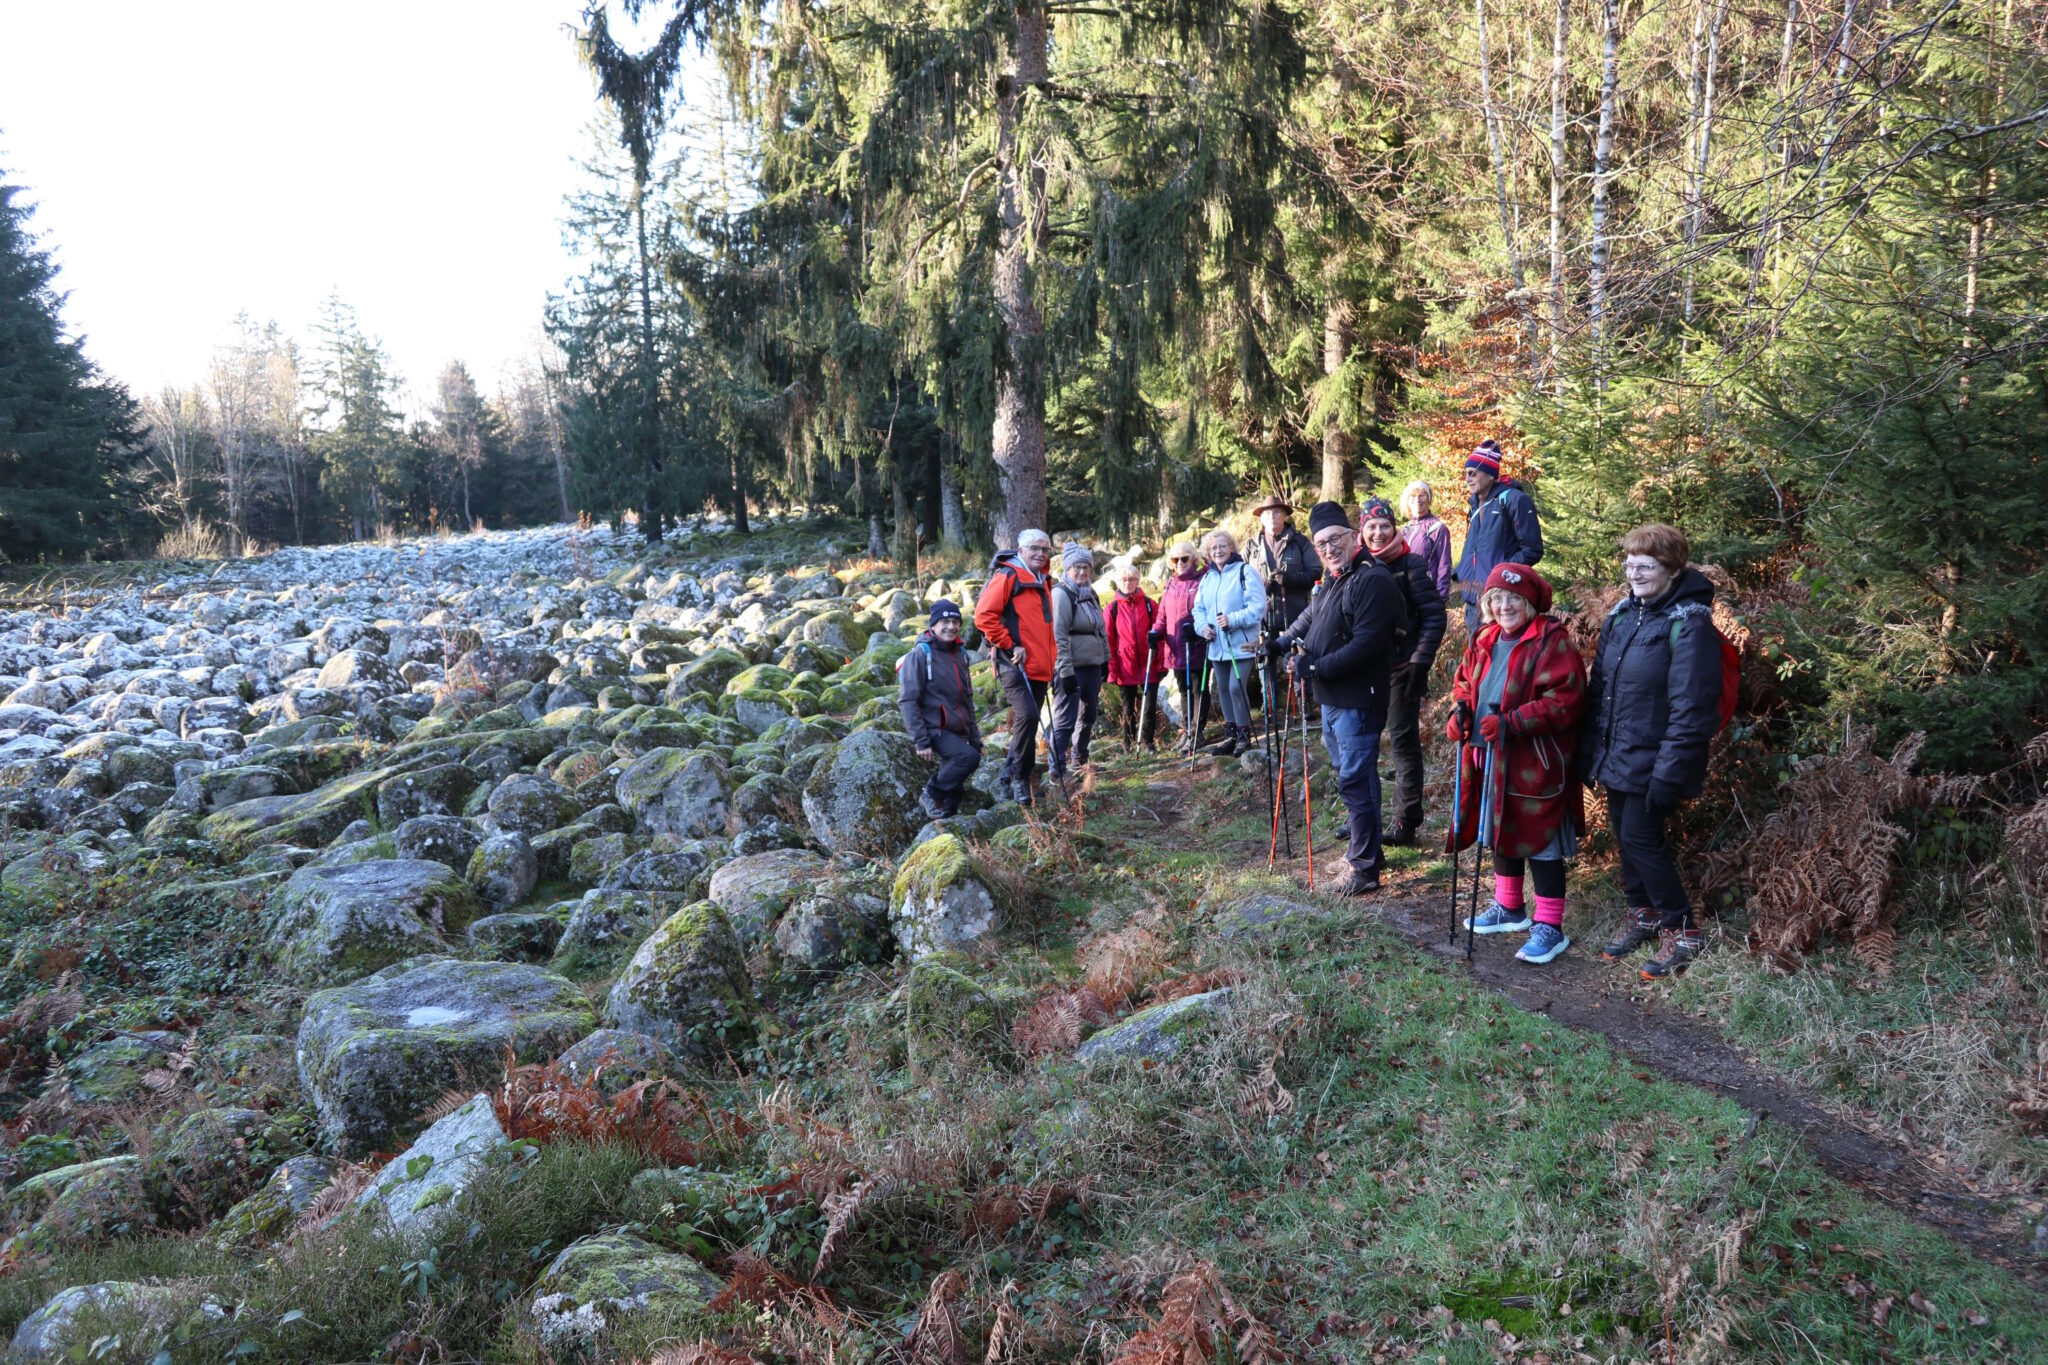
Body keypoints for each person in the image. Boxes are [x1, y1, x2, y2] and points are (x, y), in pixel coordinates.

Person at [1579, 524, 1725, 980]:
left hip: (1656, 758)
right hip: (1618, 752)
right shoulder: (1624, 616)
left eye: (1645, 565)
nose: (1633, 572)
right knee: (1625, 833)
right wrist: (1591, 752)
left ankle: (1683, 929)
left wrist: (1669, 772)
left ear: (1672, 568)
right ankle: (1643, 913)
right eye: (1629, 563)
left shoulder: (1690, 624)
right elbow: (1599, 688)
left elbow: (1692, 706)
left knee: (1642, 837)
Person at [1445, 563, 1587, 965]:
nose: (1505, 605)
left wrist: (1512, 722)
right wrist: (1461, 711)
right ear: (1488, 603)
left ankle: (1550, 927)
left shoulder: (1550, 641)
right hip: (1489, 752)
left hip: (1535, 760)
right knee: (1499, 827)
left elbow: (1567, 700)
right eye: (1497, 599)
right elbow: (1464, 681)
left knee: (1541, 842)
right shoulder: (1485, 636)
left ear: (1529, 603)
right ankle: (1509, 908)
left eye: (1514, 599)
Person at [1274, 501, 1405, 896]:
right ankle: (1368, 854)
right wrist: (1282, 643)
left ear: (1353, 537)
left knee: (1353, 779)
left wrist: (1315, 668)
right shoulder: (1333, 579)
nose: (1329, 549)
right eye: (1320, 544)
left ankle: (1362, 868)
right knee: (1358, 776)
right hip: (1332, 698)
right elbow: (1312, 619)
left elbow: (1367, 644)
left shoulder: (1372, 579)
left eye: (1335, 540)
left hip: (1358, 699)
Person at [1360, 498, 1446, 846]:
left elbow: (1434, 616)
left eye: (1384, 526)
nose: (1379, 533)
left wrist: (1418, 661)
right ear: (1361, 532)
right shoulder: (1358, 566)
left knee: (1402, 742)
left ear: (1395, 528)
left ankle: (1404, 822)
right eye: (1371, 527)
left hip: (1402, 669)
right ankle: (1362, 818)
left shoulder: (1411, 563)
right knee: (1361, 744)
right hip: (1364, 671)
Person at [973, 528, 1055, 805]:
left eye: (1045, 549)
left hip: (1040, 665)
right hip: (1013, 664)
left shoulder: (1043, 579)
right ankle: (1021, 779)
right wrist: (1010, 645)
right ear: (1021, 551)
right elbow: (984, 616)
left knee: (1028, 724)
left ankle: (1009, 776)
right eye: (1035, 548)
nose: (1040, 554)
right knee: (1029, 716)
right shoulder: (1007, 576)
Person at [898, 600, 983, 821]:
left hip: (957, 729)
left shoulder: (959, 653)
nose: (951, 626)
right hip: (934, 728)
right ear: (933, 625)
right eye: (944, 621)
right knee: (968, 759)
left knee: (953, 799)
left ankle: (943, 831)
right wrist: (921, 741)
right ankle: (930, 792)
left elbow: (967, 698)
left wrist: (975, 738)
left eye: (955, 621)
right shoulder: (920, 655)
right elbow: (908, 700)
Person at [1452, 439, 1544, 634]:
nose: (1467, 478)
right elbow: (1477, 549)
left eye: (1473, 473)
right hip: (1473, 603)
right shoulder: (1476, 506)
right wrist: (1460, 572)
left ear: (1491, 475)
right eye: (1466, 473)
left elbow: (1533, 550)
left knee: (1497, 660)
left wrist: (1501, 572)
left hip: (1500, 602)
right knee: (1477, 662)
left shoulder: (1514, 500)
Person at [1191, 528, 1264, 757]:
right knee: (1223, 689)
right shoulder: (1207, 578)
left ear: (1232, 547)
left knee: (1235, 687)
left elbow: (1258, 607)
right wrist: (1202, 627)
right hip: (1216, 646)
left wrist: (1232, 620)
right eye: (1213, 548)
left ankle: (1244, 736)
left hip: (1241, 644)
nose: (1218, 550)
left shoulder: (1245, 572)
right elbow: (1198, 609)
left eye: (1223, 546)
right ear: (1208, 553)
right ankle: (1231, 734)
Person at [1049, 542, 1107, 783]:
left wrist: (1106, 659)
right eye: (1076, 567)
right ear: (1067, 568)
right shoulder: (1061, 594)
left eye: (1086, 567)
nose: (1082, 572)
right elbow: (1058, 635)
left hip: (1092, 666)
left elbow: (1100, 629)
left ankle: (1080, 759)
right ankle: (1056, 769)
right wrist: (1065, 671)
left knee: (1089, 715)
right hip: (1071, 669)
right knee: (1065, 719)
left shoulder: (1090, 594)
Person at [1103, 561, 1165, 750]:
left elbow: (1160, 635)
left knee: (1148, 705)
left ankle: (1147, 742)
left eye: (1132, 579)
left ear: (1138, 581)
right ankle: (1128, 744)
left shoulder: (1149, 605)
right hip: (1125, 665)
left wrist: (1161, 663)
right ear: (1117, 582)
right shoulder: (1111, 609)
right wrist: (1112, 670)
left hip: (1149, 662)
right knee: (1128, 707)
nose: (1128, 582)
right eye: (1124, 579)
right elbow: (1109, 642)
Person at [1155, 543, 1209, 751]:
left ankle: (1197, 732)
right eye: (1175, 560)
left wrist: (1197, 630)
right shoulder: (1170, 585)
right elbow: (1162, 617)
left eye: (1184, 559)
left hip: (1196, 644)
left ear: (1194, 559)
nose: (1179, 563)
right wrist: (1155, 633)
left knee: (1197, 689)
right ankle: (1187, 730)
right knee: (1183, 690)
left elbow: (1206, 610)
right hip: (1176, 649)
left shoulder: (1202, 581)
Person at [1246, 494, 1317, 629]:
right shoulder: (1251, 545)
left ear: (1285, 515)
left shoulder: (1300, 542)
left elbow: (1316, 573)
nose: (1272, 517)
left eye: (1276, 512)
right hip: (1260, 621)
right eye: (1267, 513)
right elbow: (1239, 580)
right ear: (1261, 518)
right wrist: (1259, 587)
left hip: (1297, 621)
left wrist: (1291, 579)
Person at [1400, 479, 1454, 605]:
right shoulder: (1404, 530)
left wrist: (1440, 599)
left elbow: (1444, 566)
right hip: (1405, 595)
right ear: (1407, 501)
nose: (1417, 500)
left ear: (1429, 499)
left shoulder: (1437, 528)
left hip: (1428, 595)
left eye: (1422, 495)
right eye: (1413, 496)